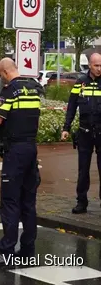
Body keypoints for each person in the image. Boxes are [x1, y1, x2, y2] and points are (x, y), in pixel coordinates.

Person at [0, 57, 42, 268]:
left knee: (10, 202)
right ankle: (28, 251)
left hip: (14, 151)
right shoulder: (34, 89)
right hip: (31, 150)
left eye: (0, 75)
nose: (1, 79)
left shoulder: (8, 92)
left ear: (5, 72)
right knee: (28, 203)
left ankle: (6, 252)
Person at [62, 52, 101, 214]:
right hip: (84, 132)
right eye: (96, 65)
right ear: (90, 66)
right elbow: (71, 107)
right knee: (83, 169)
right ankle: (81, 202)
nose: (99, 68)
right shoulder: (80, 83)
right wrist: (66, 128)